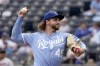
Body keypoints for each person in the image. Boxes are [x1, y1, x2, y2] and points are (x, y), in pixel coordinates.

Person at [11, 7, 87, 66]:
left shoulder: (65, 36)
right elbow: (15, 37)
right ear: (47, 22)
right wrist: (20, 18)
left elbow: (82, 45)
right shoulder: (34, 36)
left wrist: (81, 50)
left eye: (59, 20)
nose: (58, 22)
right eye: (55, 20)